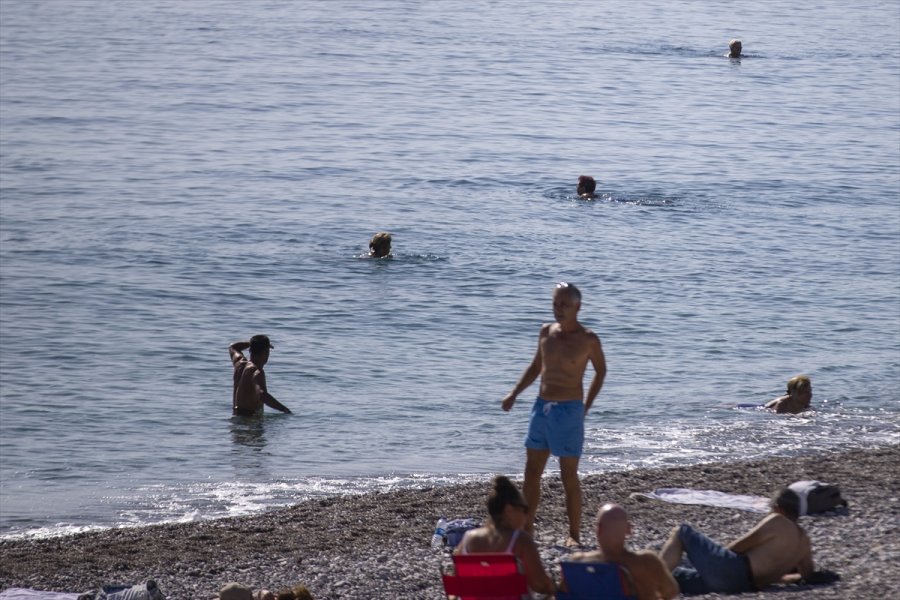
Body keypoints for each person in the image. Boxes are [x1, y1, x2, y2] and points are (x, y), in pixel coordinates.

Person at [501, 282, 607, 546]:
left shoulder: (588, 339)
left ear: (577, 307)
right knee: (531, 472)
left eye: (564, 305)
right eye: (555, 303)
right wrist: (514, 393)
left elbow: (601, 371)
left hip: (569, 411)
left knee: (568, 475)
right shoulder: (546, 332)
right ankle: (526, 530)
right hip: (541, 408)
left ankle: (574, 534)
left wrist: (586, 406)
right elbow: (537, 366)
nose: (558, 309)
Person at [659, 487, 815, 595]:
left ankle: (651, 580)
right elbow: (807, 575)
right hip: (743, 586)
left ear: (778, 508)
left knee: (682, 532)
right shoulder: (804, 542)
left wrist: (711, 559)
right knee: (677, 575)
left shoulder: (778, 521)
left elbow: (738, 547)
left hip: (731, 570)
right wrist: (781, 577)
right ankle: (655, 582)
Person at [453, 475, 556, 596]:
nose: (526, 517)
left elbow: (457, 583)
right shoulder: (520, 540)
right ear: (509, 510)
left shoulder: (468, 538)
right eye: (524, 510)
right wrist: (555, 587)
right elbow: (539, 584)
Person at [565, 504, 679, 600]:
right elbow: (671, 592)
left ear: (598, 529)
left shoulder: (579, 562)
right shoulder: (647, 562)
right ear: (629, 529)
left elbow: (562, 595)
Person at [230, 335, 292, 416]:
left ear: (250, 350)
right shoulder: (257, 372)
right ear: (266, 352)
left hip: (236, 416)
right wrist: (284, 409)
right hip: (250, 420)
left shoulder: (239, 364)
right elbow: (262, 394)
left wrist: (253, 344)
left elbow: (233, 347)